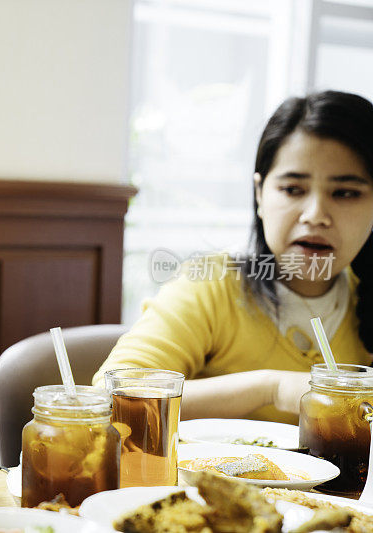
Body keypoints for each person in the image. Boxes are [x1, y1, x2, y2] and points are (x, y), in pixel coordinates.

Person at [94, 90, 373, 423]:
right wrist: (270, 388)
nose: (315, 215)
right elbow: (109, 397)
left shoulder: (362, 297)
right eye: (293, 189)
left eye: (345, 193)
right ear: (260, 193)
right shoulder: (212, 285)